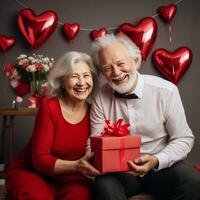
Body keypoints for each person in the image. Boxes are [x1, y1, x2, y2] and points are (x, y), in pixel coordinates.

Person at [90, 34, 200, 200]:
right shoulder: (100, 96)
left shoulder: (166, 90)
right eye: (107, 68)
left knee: (194, 181)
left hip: (160, 168)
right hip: (119, 172)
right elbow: (94, 141)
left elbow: (184, 138)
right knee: (103, 187)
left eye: (121, 64)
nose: (116, 72)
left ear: (135, 61)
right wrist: (93, 159)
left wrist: (156, 160)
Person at [6, 51, 100, 200]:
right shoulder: (49, 108)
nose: (82, 82)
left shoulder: (95, 111)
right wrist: (76, 166)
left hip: (71, 177)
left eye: (86, 75)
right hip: (33, 171)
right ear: (62, 81)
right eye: (74, 76)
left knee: (79, 196)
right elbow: (40, 160)